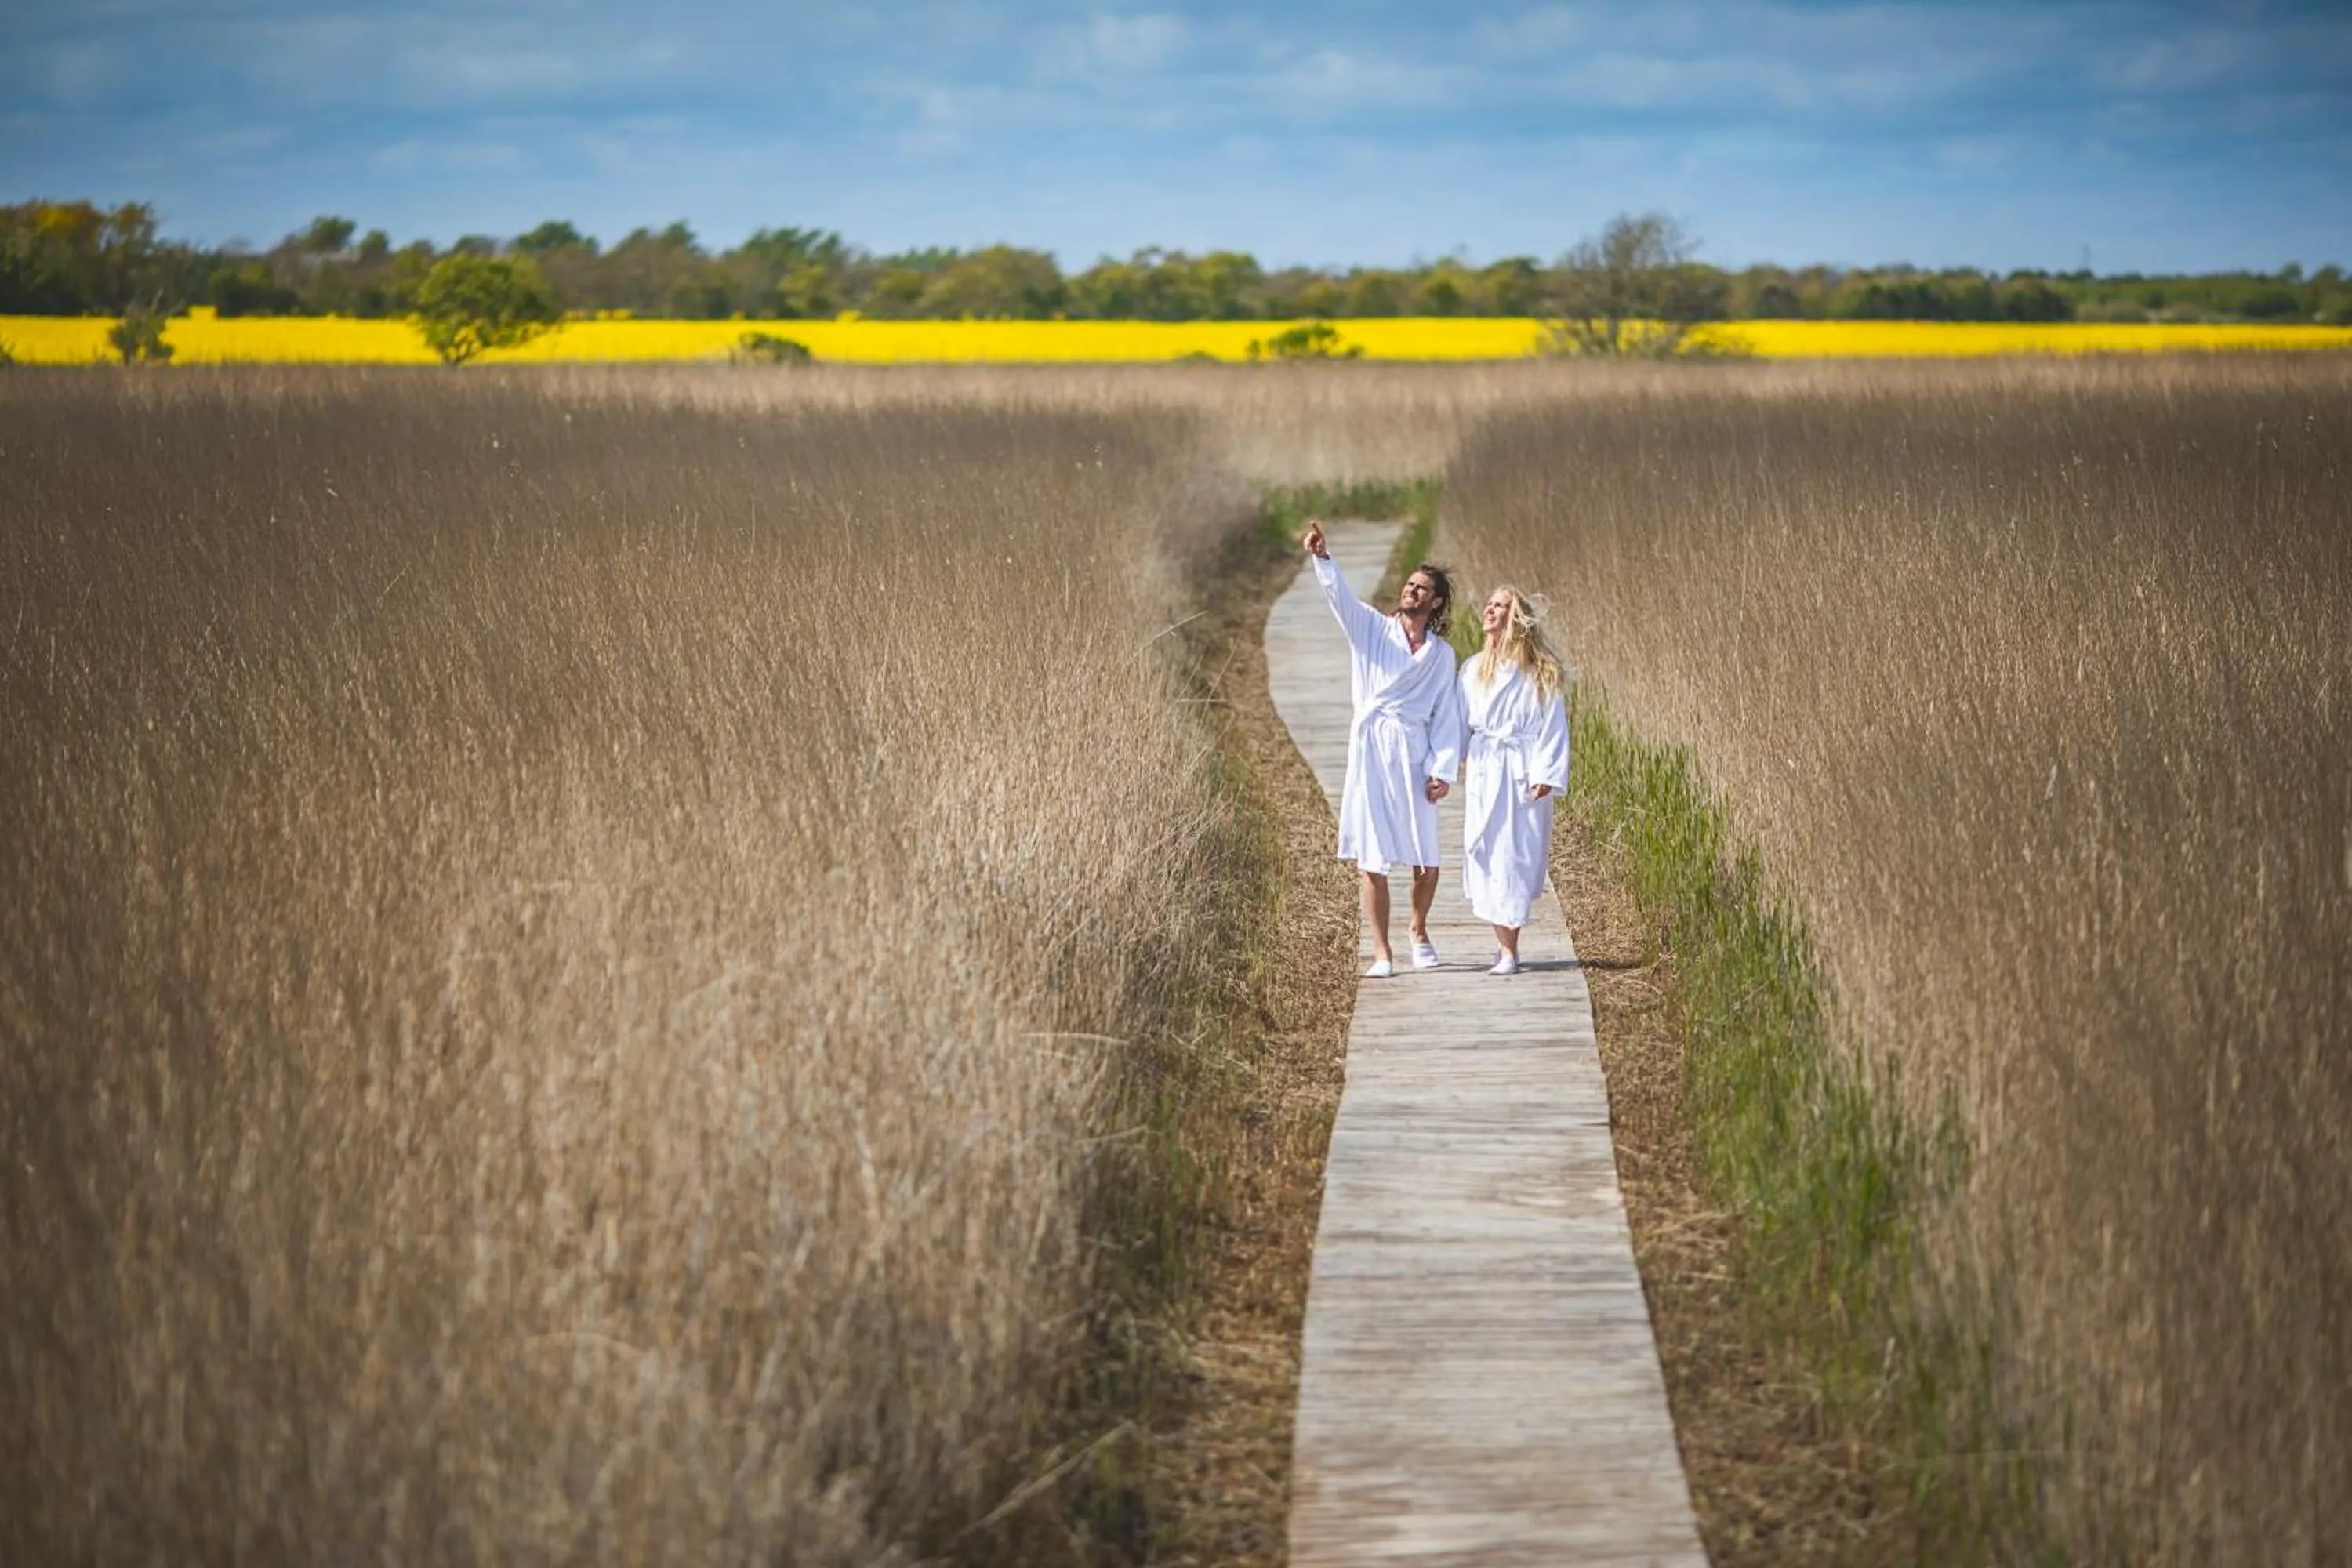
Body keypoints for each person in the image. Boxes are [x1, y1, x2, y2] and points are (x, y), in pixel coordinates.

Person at [1301, 520, 1464, 978]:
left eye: (1421, 589)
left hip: (1413, 751)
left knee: (1426, 858)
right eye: (1409, 584)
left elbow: (1445, 715)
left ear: (1435, 602)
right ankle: (1382, 953)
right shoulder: (1373, 630)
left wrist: (1442, 770)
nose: (1411, 592)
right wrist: (1322, 558)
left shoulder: (1441, 655)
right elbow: (1342, 602)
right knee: (1373, 857)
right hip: (1373, 750)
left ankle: (1418, 928)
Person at [1459, 584, 1570, 976]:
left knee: (1516, 857)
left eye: (1500, 606)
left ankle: (1509, 950)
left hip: (1522, 772)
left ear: (1516, 617)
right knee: (1488, 853)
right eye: (1488, 604)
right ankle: (1505, 948)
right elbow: (1457, 726)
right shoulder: (1473, 669)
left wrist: (1545, 775)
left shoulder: (1542, 673)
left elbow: (1553, 729)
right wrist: (1442, 768)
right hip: (1486, 769)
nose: (1489, 610)